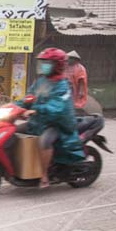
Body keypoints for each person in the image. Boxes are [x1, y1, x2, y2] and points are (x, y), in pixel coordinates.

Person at [15, 48, 85, 188]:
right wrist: (16, 106)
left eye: (47, 62)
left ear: (57, 65)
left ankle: (44, 175)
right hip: (41, 120)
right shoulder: (41, 80)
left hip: (58, 124)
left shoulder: (63, 85)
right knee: (14, 131)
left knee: (44, 141)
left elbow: (56, 108)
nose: (43, 65)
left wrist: (35, 110)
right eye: (42, 62)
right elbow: (30, 96)